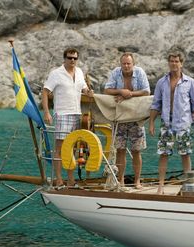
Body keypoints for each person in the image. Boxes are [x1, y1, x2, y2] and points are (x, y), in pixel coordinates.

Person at [149, 51, 194, 194]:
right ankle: (160, 186)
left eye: (176, 61)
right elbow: (156, 104)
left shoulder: (190, 82)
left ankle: (187, 184)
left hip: (184, 123)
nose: (174, 63)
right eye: (171, 61)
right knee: (163, 154)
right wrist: (151, 123)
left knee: (185, 154)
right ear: (169, 63)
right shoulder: (162, 82)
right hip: (166, 123)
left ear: (181, 63)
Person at [42, 47, 93, 188]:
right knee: (60, 148)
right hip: (62, 114)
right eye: (69, 58)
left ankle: (70, 180)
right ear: (64, 59)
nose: (72, 60)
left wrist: (88, 92)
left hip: (77, 114)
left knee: (72, 149)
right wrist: (46, 112)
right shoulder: (56, 73)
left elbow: (83, 88)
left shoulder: (79, 72)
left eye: (75, 58)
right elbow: (45, 91)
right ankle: (59, 179)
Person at [104, 52, 150, 189]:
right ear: (120, 64)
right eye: (124, 63)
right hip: (121, 118)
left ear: (133, 64)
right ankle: (121, 180)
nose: (126, 66)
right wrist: (121, 91)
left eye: (129, 63)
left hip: (136, 117)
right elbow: (107, 90)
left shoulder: (140, 72)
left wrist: (129, 94)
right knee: (120, 150)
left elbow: (146, 91)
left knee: (137, 150)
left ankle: (137, 181)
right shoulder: (116, 73)